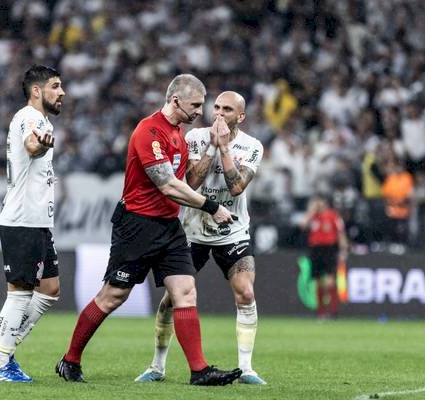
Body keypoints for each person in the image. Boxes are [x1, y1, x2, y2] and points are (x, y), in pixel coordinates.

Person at [55, 74, 242, 386]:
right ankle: (70, 359)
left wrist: (211, 148)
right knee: (113, 295)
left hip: (169, 227)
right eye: (196, 104)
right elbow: (168, 185)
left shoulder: (178, 135)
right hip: (137, 225)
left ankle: (199, 371)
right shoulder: (149, 131)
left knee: (184, 292)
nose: (201, 111)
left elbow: (188, 184)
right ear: (175, 100)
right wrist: (211, 206)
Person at [135, 91, 267, 385]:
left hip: (232, 229)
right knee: (171, 299)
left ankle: (246, 368)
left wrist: (224, 150)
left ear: (240, 117)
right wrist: (211, 147)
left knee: (245, 292)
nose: (218, 114)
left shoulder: (252, 146)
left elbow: (236, 188)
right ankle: (157, 365)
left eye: (227, 110)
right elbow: (191, 183)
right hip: (192, 230)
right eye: (216, 107)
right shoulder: (194, 137)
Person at [0, 65, 66, 382]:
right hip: (22, 221)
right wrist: (42, 143)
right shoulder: (30, 118)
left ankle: (2, 349)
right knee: (20, 293)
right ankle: (0, 364)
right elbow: (32, 146)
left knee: (49, 289)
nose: (62, 93)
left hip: (36, 221)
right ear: (37, 90)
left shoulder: (38, 120)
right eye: (56, 86)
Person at [300, 193, 349, 319]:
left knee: (329, 282)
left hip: (329, 250)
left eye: (319, 201)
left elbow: (340, 233)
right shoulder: (313, 216)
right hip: (315, 250)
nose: (318, 204)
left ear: (325, 202)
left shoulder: (333, 215)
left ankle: (333, 311)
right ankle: (321, 313)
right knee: (318, 282)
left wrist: (343, 250)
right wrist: (311, 212)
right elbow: (302, 225)